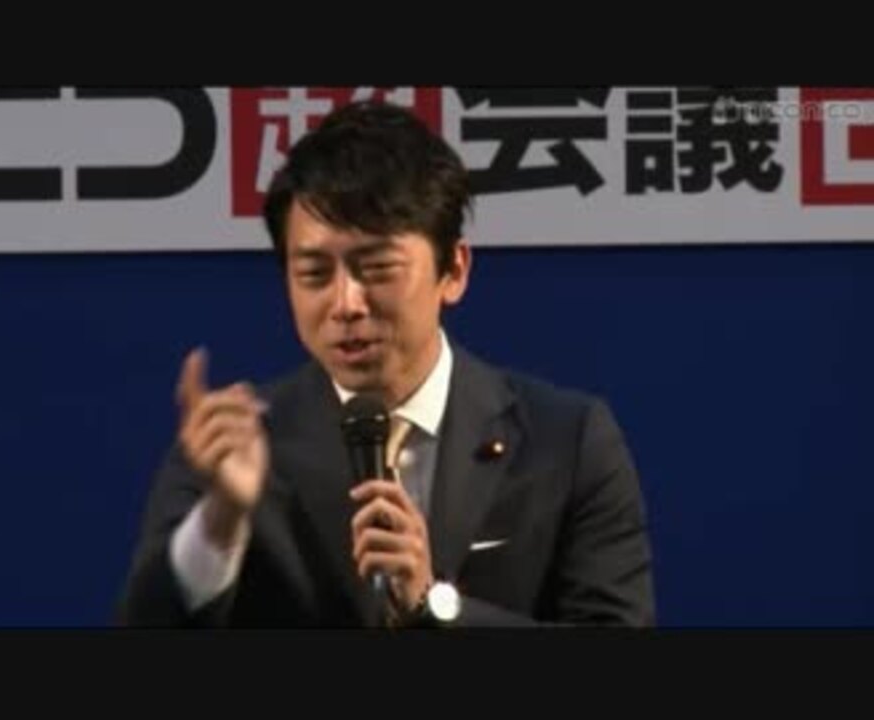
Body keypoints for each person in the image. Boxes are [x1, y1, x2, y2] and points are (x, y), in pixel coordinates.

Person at [117, 99, 655, 628]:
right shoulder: (236, 445)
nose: (346, 304)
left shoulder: (566, 443)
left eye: (377, 268)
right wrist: (220, 521)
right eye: (314, 274)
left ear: (454, 271)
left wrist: (434, 606)